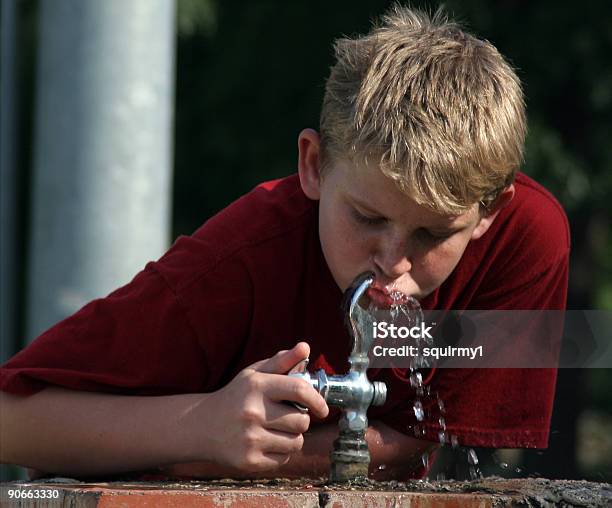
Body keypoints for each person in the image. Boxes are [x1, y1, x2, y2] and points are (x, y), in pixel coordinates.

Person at [0, 5, 569, 481]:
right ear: (314, 166)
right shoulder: (241, 260)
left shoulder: (527, 238)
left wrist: (219, 458)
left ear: (488, 213)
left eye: (433, 234)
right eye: (367, 217)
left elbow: (424, 439)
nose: (393, 262)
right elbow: (11, 420)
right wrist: (201, 425)